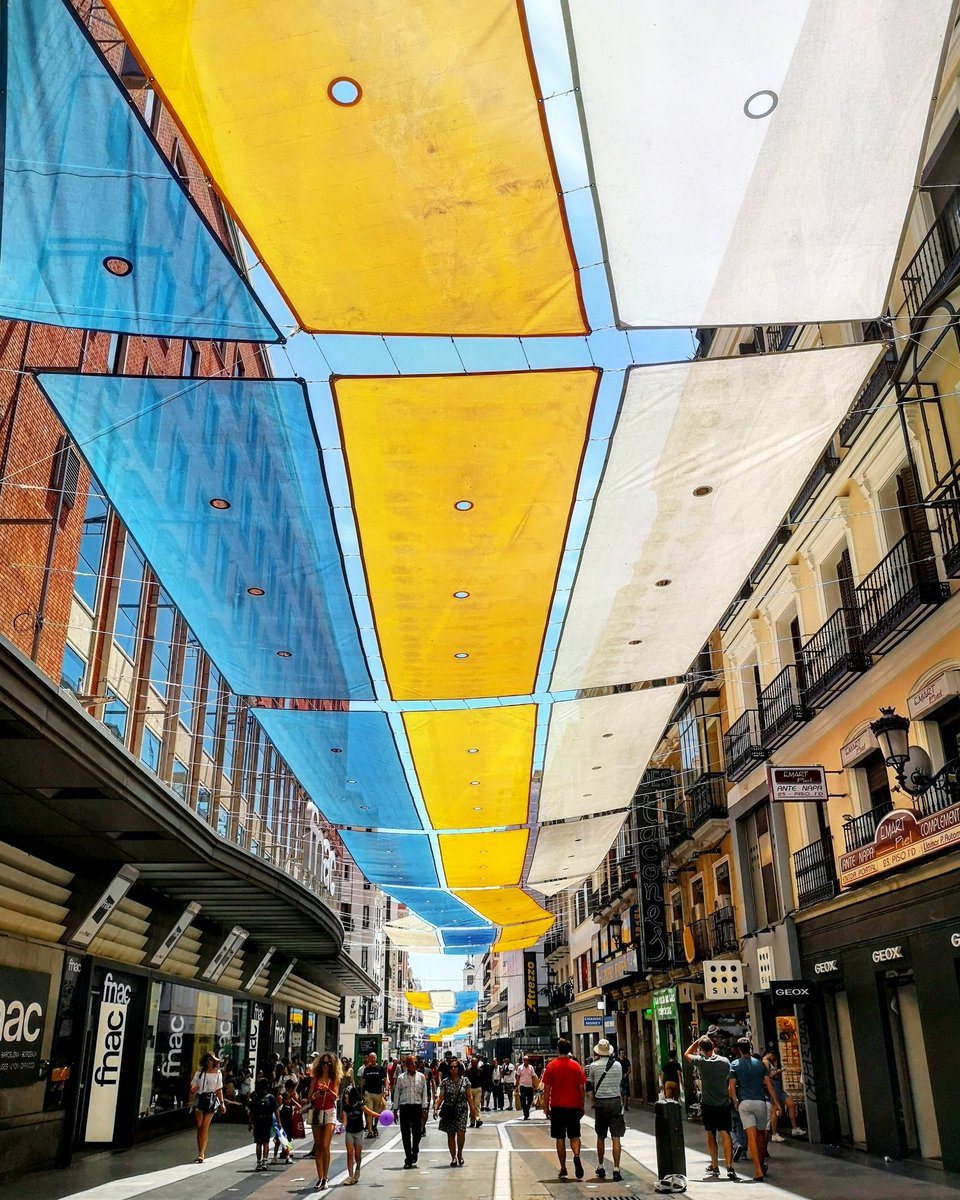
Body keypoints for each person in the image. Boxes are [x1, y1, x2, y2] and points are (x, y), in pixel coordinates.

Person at [684, 1036, 738, 1183]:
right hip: (723, 1103)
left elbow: (686, 1054)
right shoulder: (724, 1061)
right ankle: (729, 1165)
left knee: (710, 1133)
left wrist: (697, 1041)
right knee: (725, 1133)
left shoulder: (702, 1062)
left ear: (701, 1050)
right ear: (713, 1047)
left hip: (708, 1104)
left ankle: (714, 1164)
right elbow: (730, 1079)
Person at [728, 1039, 780, 1184]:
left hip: (745, 1103)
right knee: (761, 1136)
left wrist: (735, 1101)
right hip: (760, 1102)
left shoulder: (735, 1065)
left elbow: (732, 1087)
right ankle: (761, 1164)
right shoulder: (760, 1064)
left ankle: (757, 1170)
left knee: (751, 1137)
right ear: (750, 1048)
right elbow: (769, 1085)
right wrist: (776, 1103)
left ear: (738, 1049)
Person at [542, 1038, 587, 1181]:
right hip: (573, 1106)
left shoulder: (551, 1066)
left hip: (557, 1107)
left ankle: (563, 1168)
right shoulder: (576, 1066)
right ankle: (576, 1155)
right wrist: (581, 1105)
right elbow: (581, 1088)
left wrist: (545, 1107)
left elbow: (547, 1089)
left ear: (557, 1049)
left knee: (560, 1138)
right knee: (575, 1135)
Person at [587, 1039, 625, 1182]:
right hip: (615, 1101)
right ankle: (616, 1169)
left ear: (598, 1051)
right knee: (616, 1137)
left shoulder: (593, 1066)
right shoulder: (618, 1065)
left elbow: (590, 1087)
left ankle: (601, 1165)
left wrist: (593, 1102)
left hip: (601, 1103)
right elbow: (619, 1082)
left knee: (601, 1135)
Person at [308, 1051, 343, 1190]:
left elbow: (335, 1097)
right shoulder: (315, 1078)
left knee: (325, 1144)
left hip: (329, 1111)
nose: (326, 1066)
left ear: (332, 1065)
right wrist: (316, 1094)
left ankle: (326, 1177)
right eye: (323, 1063)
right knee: (318, 1146)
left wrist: (327, 1090)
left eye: (329, 1063)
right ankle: (320, 1177)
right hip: (317, 1111)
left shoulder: (334, 1079)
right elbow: (309, 1096)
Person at [434, 1057, 475, 1167]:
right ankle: (453, 1157)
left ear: (459, 1068)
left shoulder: (465, 1081)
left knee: (461, 1132)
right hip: (449, 1109)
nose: (453, 1069)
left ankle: (460, 1153)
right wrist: (436, 1108)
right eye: (451, 1067)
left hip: (461, 1110)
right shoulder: (445, 1082)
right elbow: (441, 1096)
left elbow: (469, 1096)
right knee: (451, 1134)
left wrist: (472, 1110)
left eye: (455, 1067)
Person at [341, 1080, 381, 1185]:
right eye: (345, 1097)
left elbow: (369, 1112)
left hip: (359, 1132)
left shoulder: (360, 1105)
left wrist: (380, 1116)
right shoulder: (345, 1108)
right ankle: (350, 1176)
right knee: (350, 1153)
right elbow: (344, 1122)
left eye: (347, 1097)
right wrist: (340, 1128)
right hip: (349, 1132)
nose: (346, 1099)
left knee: (357, 1155)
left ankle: (357, 1168)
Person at [394, 1055, 430, 1168]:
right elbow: (397, 1094)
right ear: (406, 1065)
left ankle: (415, 1148)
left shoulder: (421, 1077)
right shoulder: (401, 1078)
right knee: (405, 1134)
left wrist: (425, 1108)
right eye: (411, 1063)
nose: (413, 1065)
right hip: (405, 1107)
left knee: (417, 1132)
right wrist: (395, 1109)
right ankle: (408, 1158)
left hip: (417, 1107)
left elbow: (424, 1092)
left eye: (415, 1063)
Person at [190, 1052, 226, 1163]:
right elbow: (193, 1085)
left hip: (211, 1098)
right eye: (207, 1060)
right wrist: (194, 1089)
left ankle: (201, 1153)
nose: (209, 1062)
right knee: (199, 1126)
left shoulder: (218, 1073)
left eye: (211, 1060)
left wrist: (222, 1103)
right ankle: (200, 1150)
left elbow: (219, 1089)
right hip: (200, 1098)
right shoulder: (199, 1072)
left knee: (205, 1126)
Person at [763, 1048, 806, 1142]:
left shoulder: (770, 1062)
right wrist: (777, 1073)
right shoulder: (765, 1061)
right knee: (775, 1110)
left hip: (778, 1088)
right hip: (774, 1087)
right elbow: (767, 1077)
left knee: (791, 1104)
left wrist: (775, 1064)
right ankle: (774, 1133)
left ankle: (794, 1128)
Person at [248, 1076, 279, 1172]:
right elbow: (276, 1110)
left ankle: (258, 1162)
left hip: (258, 1121)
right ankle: (265, 1161)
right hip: (267, 1121)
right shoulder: (271, 1097)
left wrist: (249, 1123)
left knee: (258, 1143)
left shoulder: (255, 1098)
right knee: (266, 1142)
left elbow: (251, 1112)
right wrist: (279, 1122)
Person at [362, 1053, 387, 1137]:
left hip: (378, 1093)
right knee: (369, 1112)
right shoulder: (366, 1069)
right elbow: (364, 1082)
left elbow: (386, 1080)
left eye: (374, 1058)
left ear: (376, 1059)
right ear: (368, 1059)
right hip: (368, 1093)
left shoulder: (380, 1069)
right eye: (371, 1058)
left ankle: (374, 1127)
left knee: (376, 1112)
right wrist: (362, 1093)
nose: (372, 1059)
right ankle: (370, 1130)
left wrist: (386, 1090)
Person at [516, 1054, 539, 1120]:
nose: (526, 1061)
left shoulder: (531, 1067)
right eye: (525, 1060)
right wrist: (516, 1087)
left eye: (527, 1060)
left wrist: (535, 1086)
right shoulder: (520, 1068)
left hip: (529, 1086)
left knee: (530, 1099)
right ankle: (526, 1113)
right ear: (523, 1060)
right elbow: (518, 1078)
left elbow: (533, 1077)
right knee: (523, 1099)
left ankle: (527, 1109)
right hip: (522, 1085)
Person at [465, 1055, 483, 1127]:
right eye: (473, 1062)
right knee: (471, 1106)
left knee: (476, 1105)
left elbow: (483, 1081)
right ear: (471, 1063)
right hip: (470, 1089)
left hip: (478, 1089)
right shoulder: (468, 1071)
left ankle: (478, 1119)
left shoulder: (480, 1071)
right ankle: (472, 1121)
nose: (474, 1064)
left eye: (475, 1062)